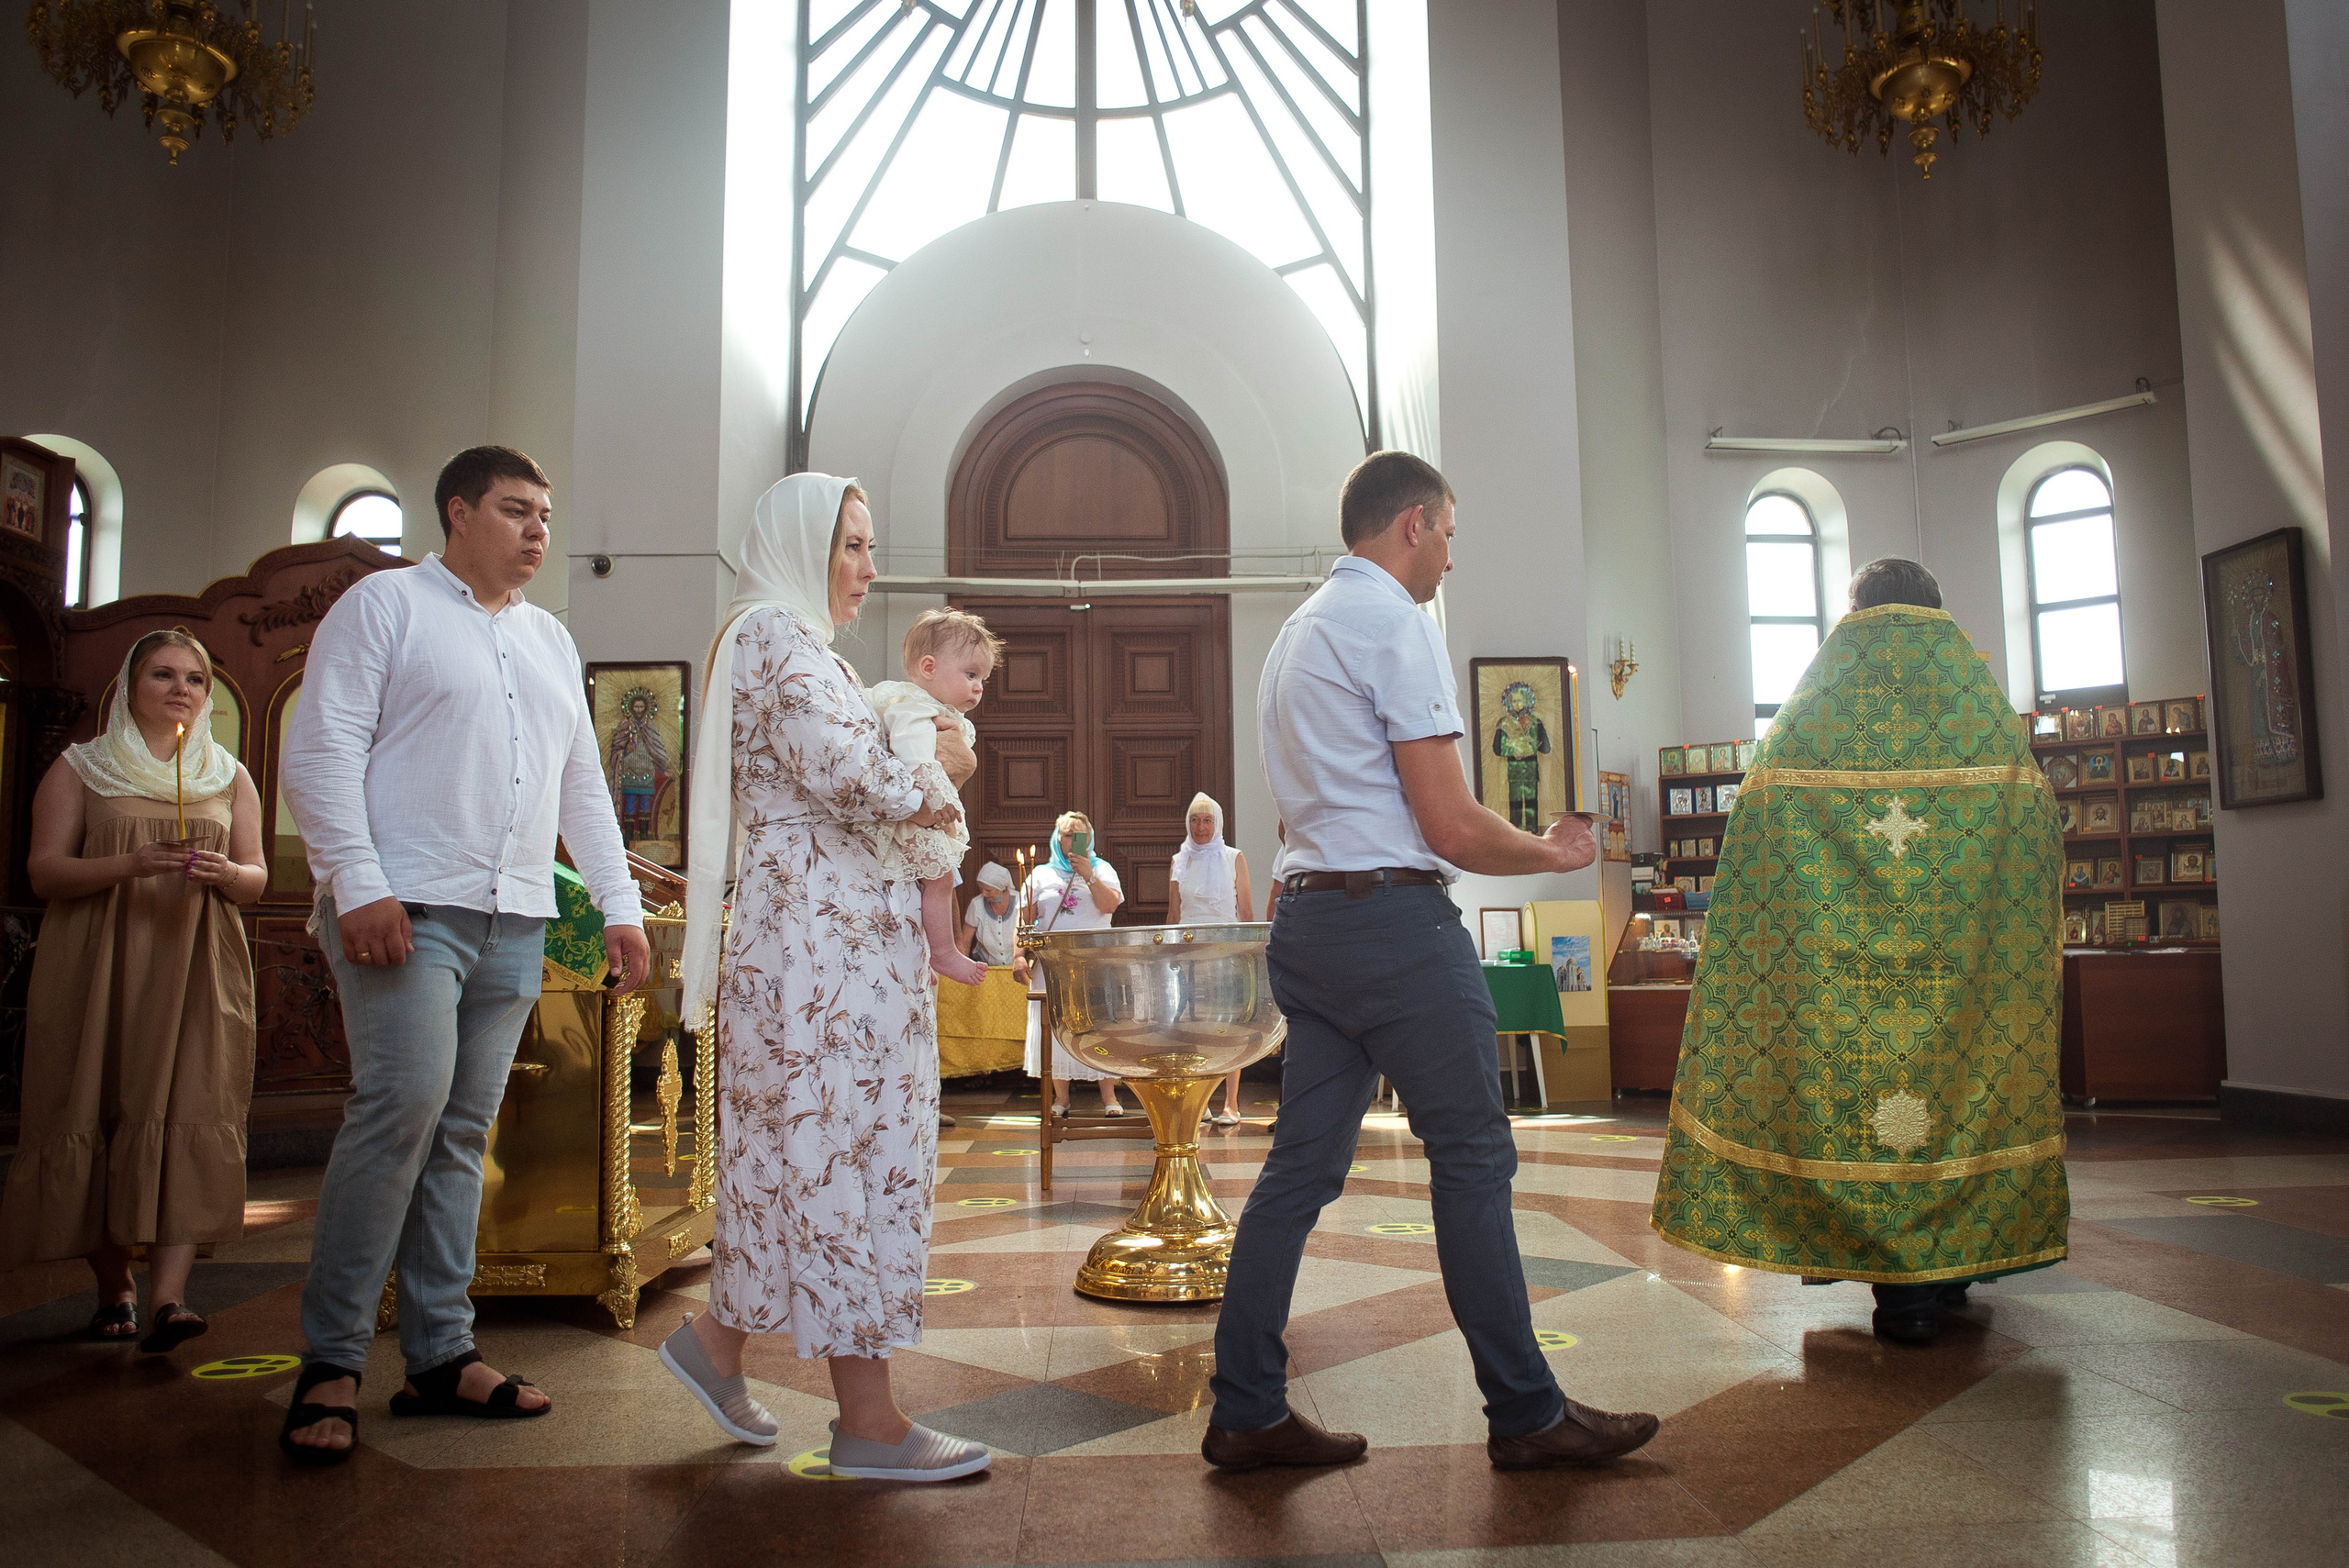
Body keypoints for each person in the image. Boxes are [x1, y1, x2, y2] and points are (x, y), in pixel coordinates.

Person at [1205, 450, 1658, 1473]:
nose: (1450, 556)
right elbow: (1449, 824)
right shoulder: (1390, 622)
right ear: (1412, 523)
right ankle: (1528, 1412)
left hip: (1312, 920)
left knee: (1298, 1170)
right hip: (1394, 930)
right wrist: (1548, 851)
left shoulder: (1295, 632)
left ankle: (1245, 1405)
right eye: (1449, 532)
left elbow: (1300, 808)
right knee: (1471, 1156)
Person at [276, 446, 652, 1465]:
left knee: (461, 1132)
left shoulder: (546, 637)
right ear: (457, 512)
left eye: (544, 512)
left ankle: (441, 1352)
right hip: (407, 905)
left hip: (515, 915)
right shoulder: (385, 606)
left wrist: (619, 906)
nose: (537, 529)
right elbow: (320, 749)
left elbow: (582, 784)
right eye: (514, 510)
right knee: (397, 1115)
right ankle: (332, 1360)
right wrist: (357, 882)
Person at [661, 472, 990, 1483]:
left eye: (869, 543)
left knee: (812, 1143)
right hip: (815, 938)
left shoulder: (813, 650)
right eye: (850, 544)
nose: (867, 565)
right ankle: (869, 1420)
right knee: (841, 1144)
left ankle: (718, 1341)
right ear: (803, 545)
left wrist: (925, 772)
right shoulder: (775, 634)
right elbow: (857, 774)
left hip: (835, 930)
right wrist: (944, 772)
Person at [1649, 558, 2069, 1346]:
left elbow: (1759, 825)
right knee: (1951, 1096)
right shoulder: (1977, 714)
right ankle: (1943, 1267)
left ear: (1856, 612)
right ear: (1936, 609)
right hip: (1959, 971)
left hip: (1843, 976)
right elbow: (2037, 823)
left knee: (1863, 1107)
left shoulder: (1816, 714)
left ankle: (1898, 1291)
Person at [0, 630, 265, 1353]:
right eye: (163, 674)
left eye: (195, 678)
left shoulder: (228, 773)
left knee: (188, 1106)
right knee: (97, 1100)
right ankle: (114, 1287)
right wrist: (130, 864)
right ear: (129, 685)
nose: (181, 688)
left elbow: (256, 876)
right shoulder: (81, 768)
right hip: (100, 961)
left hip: (196, 963)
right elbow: (44, 872)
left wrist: (225, 875)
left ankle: (170, 1298)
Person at [863, 607, 1001, 986]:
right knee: (940, 879)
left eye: (983, 679)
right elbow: (918, 759)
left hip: (916, 814)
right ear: (928, 667)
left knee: (935, 882)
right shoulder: (913, 706)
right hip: (910, 815)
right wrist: (939, 800)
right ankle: (942, 951)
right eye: (971, 675)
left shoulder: (937, 710)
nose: (978, 687)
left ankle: (927, 953)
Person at [1014, 811, 1125, 1118]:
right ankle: (1061, 1098)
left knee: (1099, 1025)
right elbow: (1024, 922)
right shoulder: (1040, 875)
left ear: (1088, 839)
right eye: (1066, 834)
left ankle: (1109, 1097)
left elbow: (1109, 906)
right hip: (1052, 963)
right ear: (1056, 838)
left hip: (1094, 961)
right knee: (1055, 1027)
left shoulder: (1103, 870)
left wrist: (1089, 874)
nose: (1071, 840)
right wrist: (1018, 955)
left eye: (1079, 835)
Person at [1165, 792, 1254, 1127]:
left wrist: (1250, 954)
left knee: (1229, 1028)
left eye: (1206, 820)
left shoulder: (1234, 857)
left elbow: (1244, 910)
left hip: (1227, 950)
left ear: (1217, 824)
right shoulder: (1179, 860)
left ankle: (1231, 1104)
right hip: (1189, 953)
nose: (1200, 827)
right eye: (1194, 820)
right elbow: (1174, 913)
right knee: (1194, 1028)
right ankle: (1199, 1101)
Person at [963, 861, 1020, 966]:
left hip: (1017, 968)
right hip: (985, 969)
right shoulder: (977, 905)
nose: (984, 894)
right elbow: (965, 941)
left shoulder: (1021, 902)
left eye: (988, 890)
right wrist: (964, 967)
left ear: (1001, 887)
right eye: (981, 889)